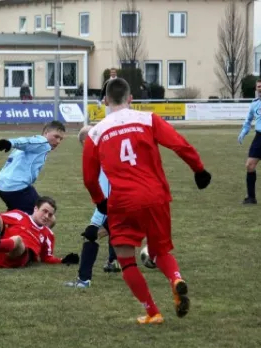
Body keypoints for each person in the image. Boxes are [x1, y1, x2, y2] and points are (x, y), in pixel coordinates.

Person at [82, 78, 212, 324]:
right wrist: (199, 169)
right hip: (156, 195)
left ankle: (153, 312)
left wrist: (100, 201)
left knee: (126, 258)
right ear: (130, 98)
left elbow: (89, 178)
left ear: (106, 101)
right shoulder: (148, 119)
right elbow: (179, 144)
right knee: (160, 249)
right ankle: (175, 278)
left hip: (123, 201)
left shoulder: (96, 132)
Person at [0, 197, 79, 269]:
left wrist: (63, 260)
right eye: (44, 211)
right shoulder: (19, 215)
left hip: (17, 257)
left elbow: (47, 257)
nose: (46, 216)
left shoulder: (48, 234)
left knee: (18, 240)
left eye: (50, 215)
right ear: (35, 208)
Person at [64, 127, 119, 289]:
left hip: (119, 203)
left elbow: (105, 189)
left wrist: (97, 218)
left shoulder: (101, 157)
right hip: (144, 198)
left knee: (91, 234)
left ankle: (83, 281)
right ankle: (114, 261)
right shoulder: (114, 148)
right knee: (116, 229)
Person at [0, 121, 66, 214]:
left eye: (61, 139)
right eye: (56, 136)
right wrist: (10, 143)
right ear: (46, 133)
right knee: (40, 214)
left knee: (19, 212)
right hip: (16, 186)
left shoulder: (33, 145)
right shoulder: (42, 142)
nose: (58, 141)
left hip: (2, 185)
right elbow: (27, 142)